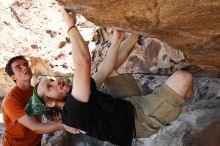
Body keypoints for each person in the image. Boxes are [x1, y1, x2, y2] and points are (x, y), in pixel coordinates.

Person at [25, 8, 193, 146]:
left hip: (126, 104)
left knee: (109, 71)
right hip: (138, 122)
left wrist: (118, 40)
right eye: (50, 87)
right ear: (50, 103)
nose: (57, 82)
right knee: (184, 77)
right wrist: (71, 26)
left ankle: (135, 37)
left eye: (52, 81)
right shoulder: (73, 113)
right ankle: (176, 101)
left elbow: (105, 69)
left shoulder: (75, 94)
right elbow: (83, 62)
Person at [2, 55, 64, 146]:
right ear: (13, 77)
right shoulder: (11, 100)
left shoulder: (34, 91)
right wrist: (64, 125)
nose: (25, 67)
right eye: (18, 67)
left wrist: (56, 116)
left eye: (25, 64)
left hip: (36, 142)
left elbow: (46, 112)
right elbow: (34, 126)